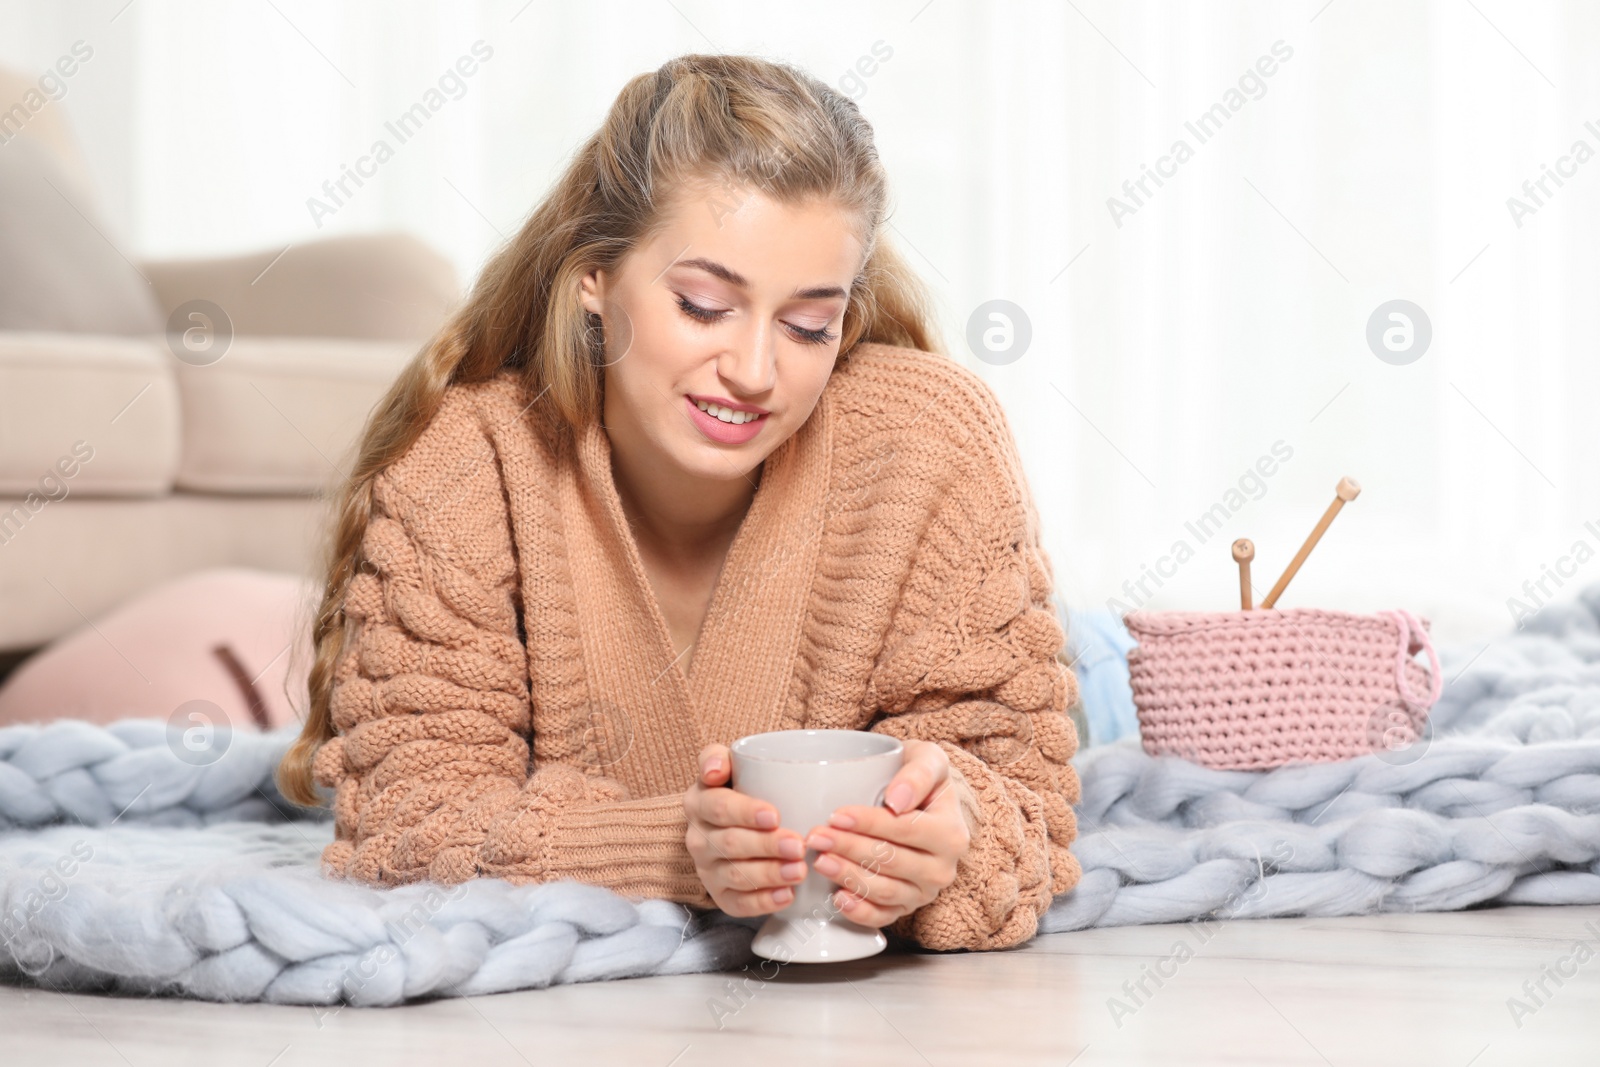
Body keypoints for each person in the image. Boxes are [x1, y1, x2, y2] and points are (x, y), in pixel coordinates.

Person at [277, 53, 1082, 953]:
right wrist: (672, 850)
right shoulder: (469, 464)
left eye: (810, 324)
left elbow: (1028, 799)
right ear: (594, 278)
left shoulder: (931, 443)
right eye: (703, 306)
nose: (755, 370)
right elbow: (407, 823)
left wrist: (952, 837)